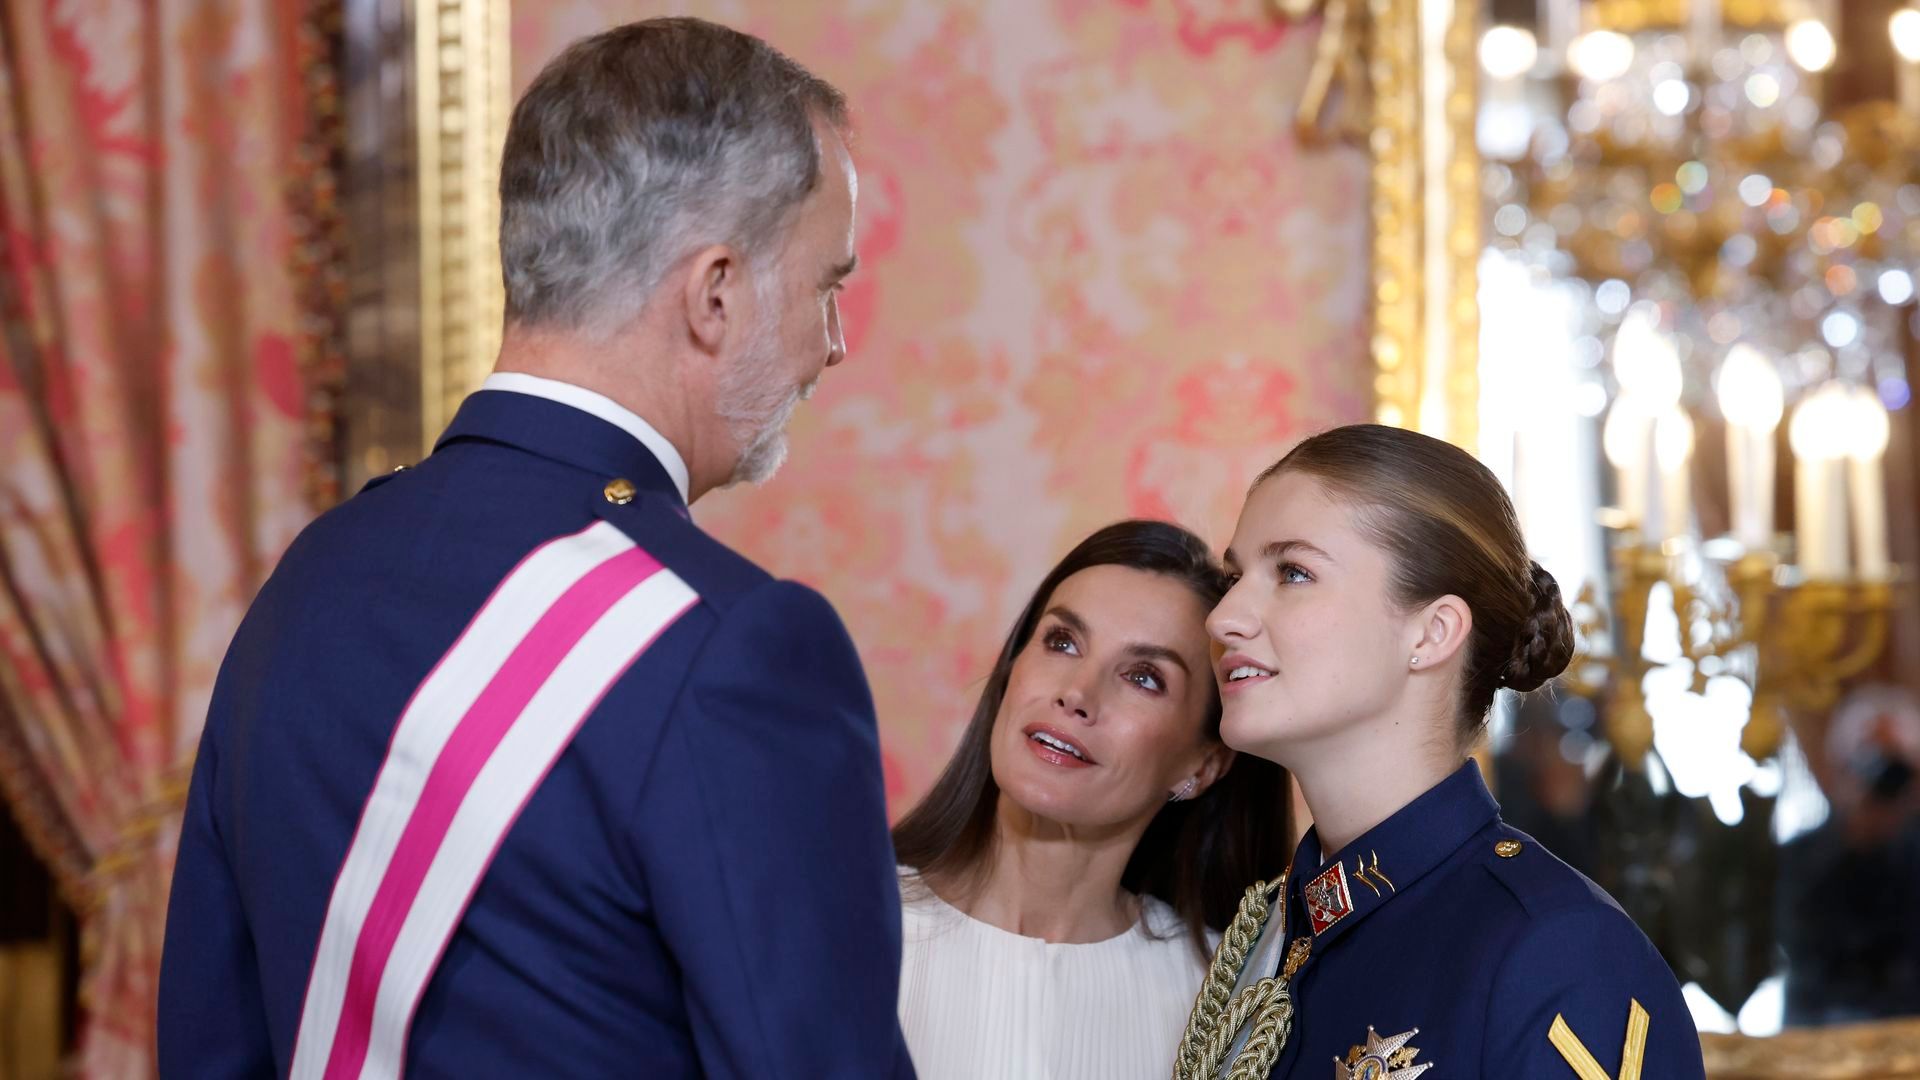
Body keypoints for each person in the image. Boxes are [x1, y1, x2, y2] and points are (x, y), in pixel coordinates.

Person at [158, 19, 912, 1078]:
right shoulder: (735, 648)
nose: (831, 345)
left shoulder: (312, 576)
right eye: (826, 286)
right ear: (717, 294)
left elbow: (210, 1042)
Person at [1174, 424, 1704, 1080]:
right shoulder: (1268, 940)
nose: (1224, 615)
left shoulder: (1557, 950)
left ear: (1433, 631)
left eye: (1292, 572)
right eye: (1236, 575)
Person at [891, 520, 1291, 1080]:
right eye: (1061, 642)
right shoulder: (839, 924)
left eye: (1144, 677)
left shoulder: (1226, 1004)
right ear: (1012, 669)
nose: (1077, 693)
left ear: (1203, 765)